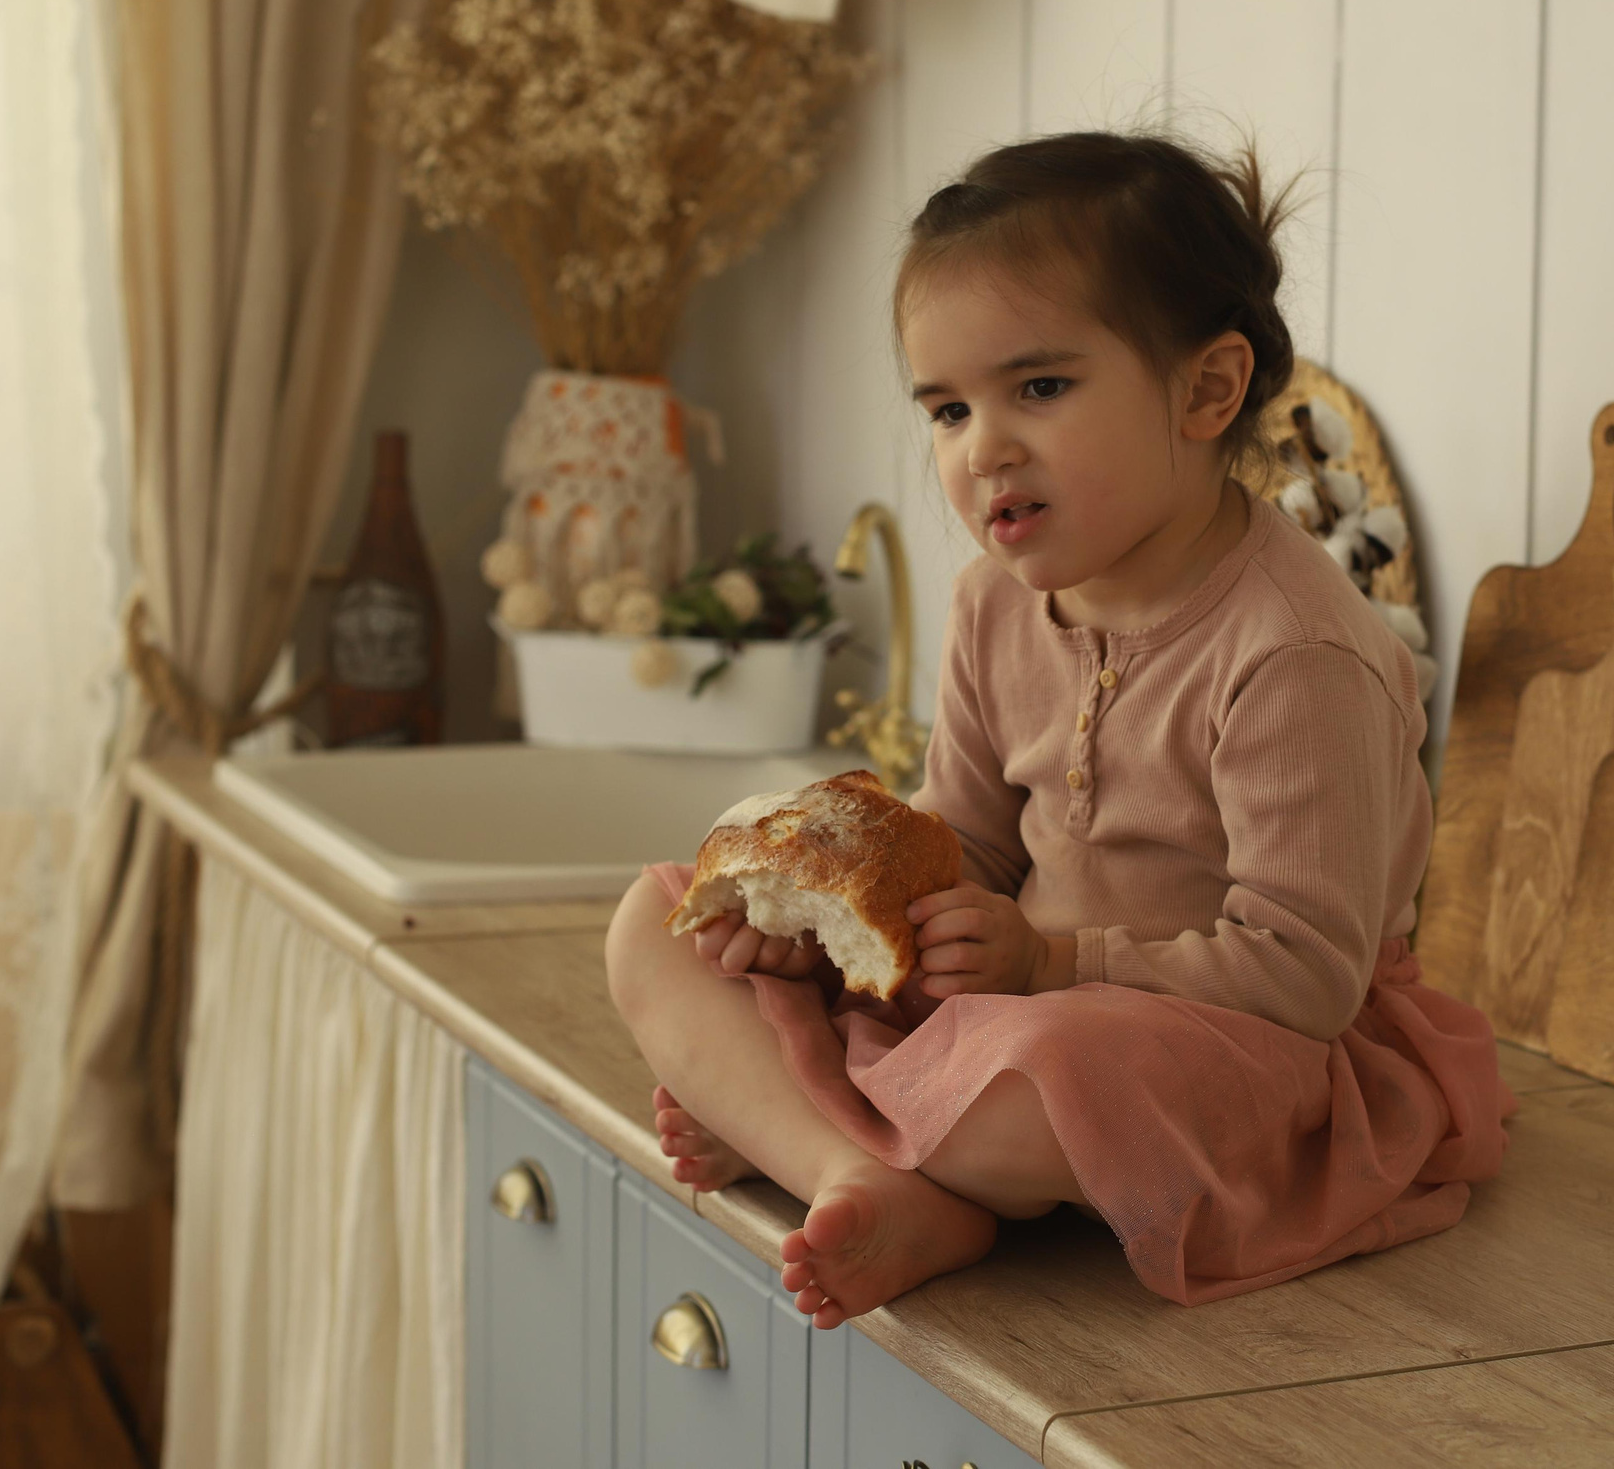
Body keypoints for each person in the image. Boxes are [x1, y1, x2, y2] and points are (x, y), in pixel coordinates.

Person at [603, 130, 1512, 1327]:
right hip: (1017, 1006)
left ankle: (797, 1123)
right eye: (945, 409)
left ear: (1205, 390)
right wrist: (830, 943)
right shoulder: (995, 601)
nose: (984, 448)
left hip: (1241, 1055)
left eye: (1038, 387)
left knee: (1062, 1074)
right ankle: (862, 1170)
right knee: (649, 925)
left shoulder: (1297, 656)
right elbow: (968, 853)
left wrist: (1052, 965)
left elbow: (1304, 976)